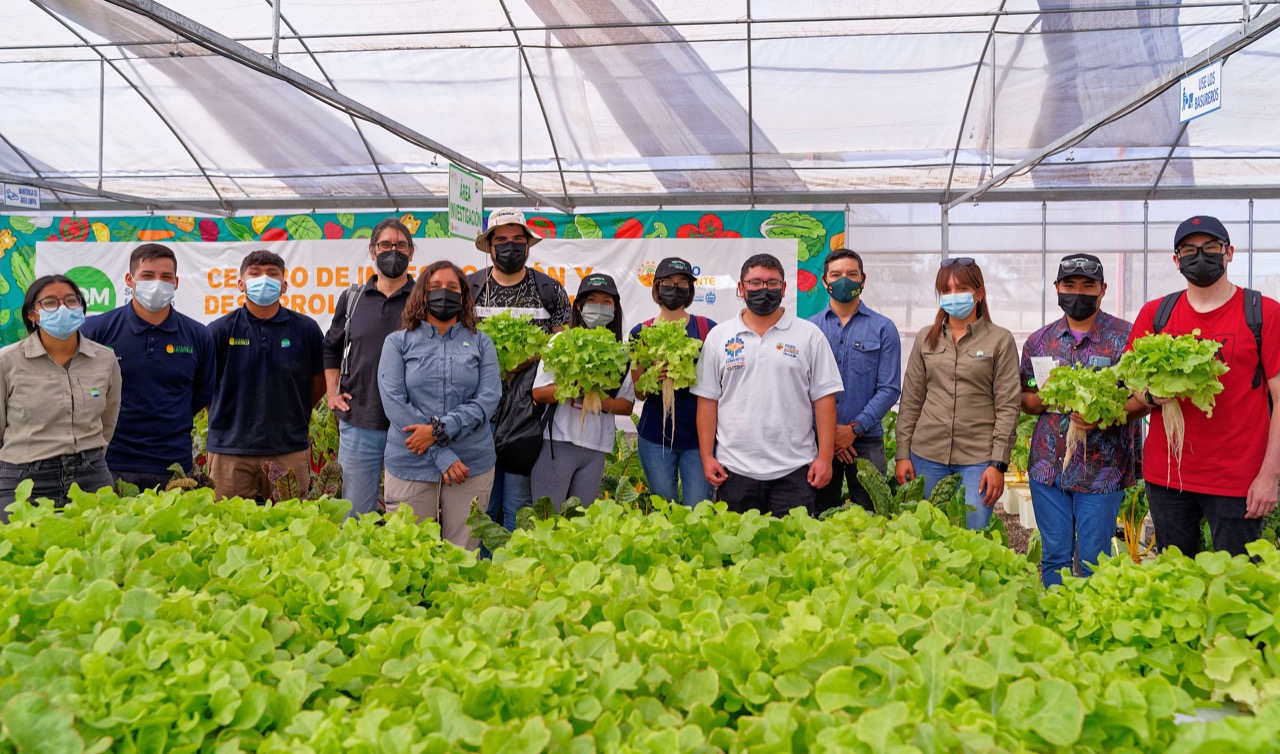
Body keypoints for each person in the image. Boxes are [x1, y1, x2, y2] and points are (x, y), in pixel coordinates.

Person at [1127, 216, 1280, 556]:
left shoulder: (1263, 313)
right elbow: (1133, 380)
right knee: (1177, 582)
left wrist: (1270, 475)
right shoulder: (1156, 314)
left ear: (1229, 253)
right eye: (1189, 250)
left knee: (1236, 583)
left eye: (1211, 248)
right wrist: (1151, 395)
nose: (1201, 256)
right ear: (1176, 259)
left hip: (1238, 480)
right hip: (1167, 477)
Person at [1020, 254, 1145, 586]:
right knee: (1055, 557)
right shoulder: (1039, 342)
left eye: (1088, 285)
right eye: (1070, 285)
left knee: (1094, 560)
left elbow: (1144, 398)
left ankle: (1090, 626)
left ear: (1103, 290)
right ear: (1057, 289)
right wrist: (1047, 396)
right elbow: (1026, 399)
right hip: (1048, 468)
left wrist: (1106, 415)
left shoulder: (1126, 337)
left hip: (1102, 471)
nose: (1078, 292)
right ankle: (1057, 629)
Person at [693, 253, 842, 516]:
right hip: (735, 471)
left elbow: (825, 400)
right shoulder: (719, 337)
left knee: (793, 552)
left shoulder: (809, 335)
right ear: (741, 288)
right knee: (736, 552)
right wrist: (707, 457)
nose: (765, 289)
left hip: (796, 471)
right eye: (755, 283)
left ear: (784, 289)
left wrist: (825, 458)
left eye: (773, 283)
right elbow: (707, 401)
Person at [378, 261, 501, 549]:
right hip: (410, 463)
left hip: (470, 464)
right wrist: (442, 455)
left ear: (463, 296)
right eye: (434, 287)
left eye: (451, 287)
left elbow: (488, 399)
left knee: (464, 554)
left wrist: (437, 430)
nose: (443, 293)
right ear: (421, 293)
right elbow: (394, 403)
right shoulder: (397, 343)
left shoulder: (482, 343)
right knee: (409, 553)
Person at [895, 258, 1020, 530]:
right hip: (926, 455)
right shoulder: (925, 338)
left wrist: (998, 464)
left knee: (971, 535)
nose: (953, 296)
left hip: (977, 460)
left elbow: (1008, 405)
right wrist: (903, 453)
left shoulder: (999, 340)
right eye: (946, 290)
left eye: (961, 288)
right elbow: (911, 400)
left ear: (979, 293)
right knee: (927, 535)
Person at [468, 208, 572, 529]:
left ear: (528, 245)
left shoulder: (549, 290)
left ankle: (515, 572)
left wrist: (530, 357)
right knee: (483, 504)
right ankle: (484, 572)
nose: (510, 246)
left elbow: (563, 350)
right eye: (501, 240)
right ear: (489, 246)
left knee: (517, 503)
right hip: (478, 414)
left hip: (528, 416)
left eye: (517, 239)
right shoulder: (469, 288)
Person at [80, 244, 216, 490]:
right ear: (130, 280)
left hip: (173, 464)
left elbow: (200, 394)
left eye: (166, 277)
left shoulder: (198, 335)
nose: (157, 283)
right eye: (147, 275)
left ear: (176, 282)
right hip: (110, 460)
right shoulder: (96, 331)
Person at [206, 250, 325, 501]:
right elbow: (205, 386)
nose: (264, 279)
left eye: (272, 274)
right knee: (226, 528)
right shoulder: (218, 331)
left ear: (284, 285)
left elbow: (319, 383)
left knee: (292, 529)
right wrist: (227, 416)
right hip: (230, 451)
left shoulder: (306, 329)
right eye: (255, 273)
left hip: (288, 448)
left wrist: (294, 410)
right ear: (240, 284)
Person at [0, 275, 121, 520]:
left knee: (96, 553)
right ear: (33, 314)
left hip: (91, 477)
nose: (63, 308)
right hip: (24, 481)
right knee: (19, 553)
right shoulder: (7, 361)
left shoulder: (105, 360)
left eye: (70, 301)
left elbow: (108, 419)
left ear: (82, 309)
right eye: (51, 303)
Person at [322, 218, 416, 518]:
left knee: (408, 517)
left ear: (411, 253)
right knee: (357, 514)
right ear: (372, 251)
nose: (393, 251)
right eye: (385, 245)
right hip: (360, 420)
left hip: (410, 425)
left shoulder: (424, 300)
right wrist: (331, 393)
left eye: (401, 245)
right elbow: (332, 347)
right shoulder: (353, 299)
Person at [808, 248, 901, 515]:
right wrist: (830, 436)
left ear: (863, 279)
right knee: (818, 514)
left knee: (871, 515)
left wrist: (852, 429)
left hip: (867, 440)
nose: (843, 280)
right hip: (817, 441)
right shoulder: (809, 329)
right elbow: (801, 388)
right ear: (825, 281)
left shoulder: (884, 328)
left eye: (851, 274)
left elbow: (889, 388)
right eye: (835, 275)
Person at [531, 274, 635, 507]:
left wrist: (600, 399)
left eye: (606, 301)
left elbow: (627, 406)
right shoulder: (559, 342)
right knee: (547, 517)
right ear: (579, 306)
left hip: (595, 449)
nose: (599, 307)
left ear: (615, 308)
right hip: (557, 443)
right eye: (592, 301)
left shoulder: (621, 353)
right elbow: (538, 393)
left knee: (580, 522)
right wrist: (570, 389)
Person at [629, 257, 717, 507]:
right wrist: (652, 377)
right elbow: (639, 392)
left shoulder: (708, 329)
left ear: (690, 290)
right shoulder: (640, 332)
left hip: (698, 439)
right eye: (668, 282)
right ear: (656, 287)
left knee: (699, 510)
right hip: (656, 437)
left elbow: (717, 385)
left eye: (682, 284)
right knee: (663, 510)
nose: (675, 288)